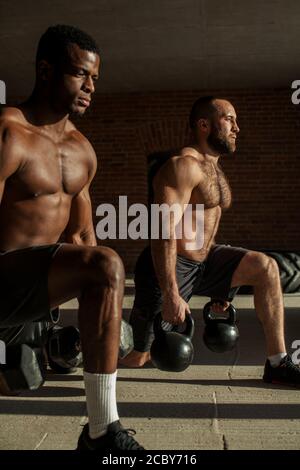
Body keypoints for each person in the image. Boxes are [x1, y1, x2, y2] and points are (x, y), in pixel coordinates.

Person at [0, 24, 143, 450]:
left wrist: (104, 306)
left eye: (95, 78)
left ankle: (100, 430)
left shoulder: (82, 150)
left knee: (104, 265)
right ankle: (102, 433)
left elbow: (82, 234)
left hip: (29, 300)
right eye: (81, 74)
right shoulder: (9, 131)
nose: (90, 87)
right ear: (45, 71)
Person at [121, 96, 300, 387]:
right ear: (204, 125)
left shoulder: (214, 167)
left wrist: (225, 285)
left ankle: (278, 362)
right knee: (139, 356)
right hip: (168, 267)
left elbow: (206, 225)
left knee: (265, 267)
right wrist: (170, 293)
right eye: (229, 119)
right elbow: (163, 231)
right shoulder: (182, 166)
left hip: (205, 260)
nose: (237, 128)